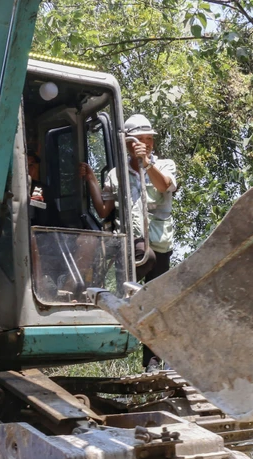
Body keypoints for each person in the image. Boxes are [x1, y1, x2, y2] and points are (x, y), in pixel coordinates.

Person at [80, 113, 178, 370]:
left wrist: (146, 163)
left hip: (160, 240)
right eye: (140, 140)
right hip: (133, 243)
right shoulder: (115, 174)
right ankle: (123, 296)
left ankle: (153, 363)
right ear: (127, 142)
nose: (146, 144)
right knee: (145, 257)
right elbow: (103, 210)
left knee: (155, 303)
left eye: (149, 140)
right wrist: (91, 179)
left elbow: (165, 185)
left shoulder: (164, 165)